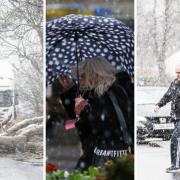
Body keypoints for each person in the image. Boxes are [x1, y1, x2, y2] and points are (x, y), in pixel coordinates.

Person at [58, 56, 134, 171]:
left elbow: (109, 123)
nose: (80, 80)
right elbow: (81, 119)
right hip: (94, 153)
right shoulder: (94, 92)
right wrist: (70, 90)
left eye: (83, 76)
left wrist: (85, 110)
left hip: (109, 156)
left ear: (94, 75)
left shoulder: (115, 92)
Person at [154, 64, 180, 173]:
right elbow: (167, 96)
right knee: (177, 140)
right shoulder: (174, 83)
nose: (178, 76)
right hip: (175, 116)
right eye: (177, 73)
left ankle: (174, 165)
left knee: (174, 138)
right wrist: (158, 105)